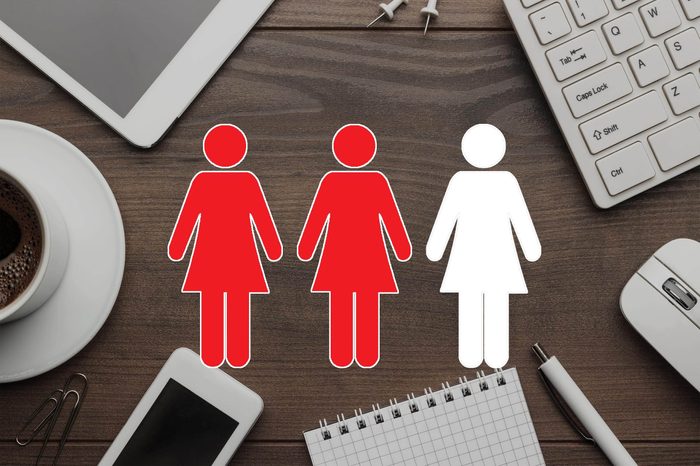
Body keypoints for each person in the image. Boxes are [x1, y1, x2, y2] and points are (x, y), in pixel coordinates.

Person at [426, 124, 541, 369]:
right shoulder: (503, 181)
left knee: (476, 300)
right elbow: (520, 219)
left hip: (471, 259)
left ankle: (476, 353)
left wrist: (435, 249)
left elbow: (447, 218)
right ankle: (489, 353)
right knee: (491, 300)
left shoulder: (463, 181)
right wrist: (531, 249)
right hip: (497, 259)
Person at [297, 124, 412, 368]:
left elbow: (317, 219)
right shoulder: (376, 182)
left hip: (338, 259)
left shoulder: (332, 182)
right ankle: (366, 352)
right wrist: (401, 249)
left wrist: (306, 248)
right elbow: (391, 220)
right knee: (366, 303)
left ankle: (342, 352)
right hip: (370, 259)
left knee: (342, 303)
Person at [168, 124, 282, 368]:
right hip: (241, 258)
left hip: (209, 259)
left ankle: (214, 351)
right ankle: (237, 352)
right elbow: (262, 220)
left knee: (213, 303)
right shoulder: (246, 182)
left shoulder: (203, 182)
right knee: (236, 302)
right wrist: (272, 248)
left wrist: (178, 248)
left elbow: (187, 220)